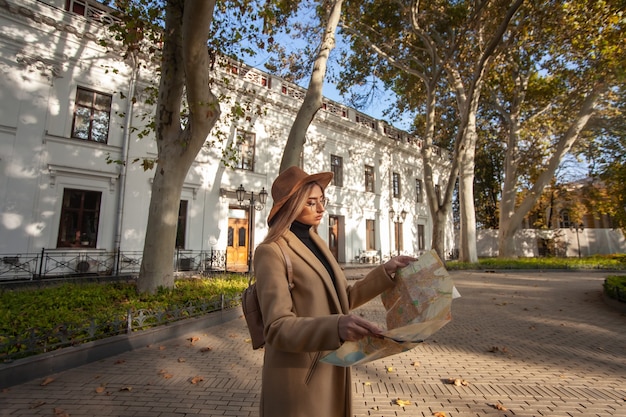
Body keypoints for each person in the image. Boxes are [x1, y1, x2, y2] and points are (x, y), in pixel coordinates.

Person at [253, 166, 415, 417]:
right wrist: (336, 327)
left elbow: (342, 298)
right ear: (291, 206)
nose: (321, 209)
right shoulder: (271, 252)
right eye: (311, 203)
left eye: (322, 200)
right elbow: (276, 327)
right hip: (299, 380)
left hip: (331, 365)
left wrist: (385, 272)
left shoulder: (317, 242)